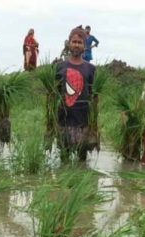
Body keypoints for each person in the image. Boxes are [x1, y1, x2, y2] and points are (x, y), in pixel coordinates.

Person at [55, 27, 97, 162]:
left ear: (85, 46)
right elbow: (53, 94)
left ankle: (82, 182)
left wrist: (94, 124)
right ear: (69, 44)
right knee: (64, 158)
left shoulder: (90, 69)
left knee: (82, 159)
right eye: (74, 42)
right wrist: (51, 123)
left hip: (83, 119)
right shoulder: (60, 67)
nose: (77, 45)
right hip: (64, 118)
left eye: (80, 42)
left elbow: (94, 96)